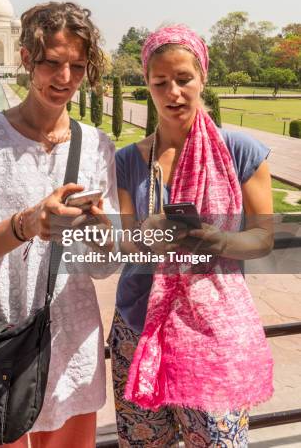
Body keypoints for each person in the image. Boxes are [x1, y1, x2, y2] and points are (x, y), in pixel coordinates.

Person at [0, 1, 120, 448]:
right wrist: (27, 224)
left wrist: (100, 234)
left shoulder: (97, 145)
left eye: (77, 66)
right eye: (53, 63)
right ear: (25, 59)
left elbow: (103, 267)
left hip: (71, 339)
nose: (65, 79)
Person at [109, 25, 274, 447]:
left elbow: (262, 238)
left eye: (184, 79)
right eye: (160, 82)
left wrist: (210, 240)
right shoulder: (129, 160)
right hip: (139, 326)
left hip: (211, 331)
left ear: (203, 77)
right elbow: (127, 244)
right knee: (146, 441)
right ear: (146, 84)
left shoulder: (239, 150)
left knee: (217, 441)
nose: (173, 92)